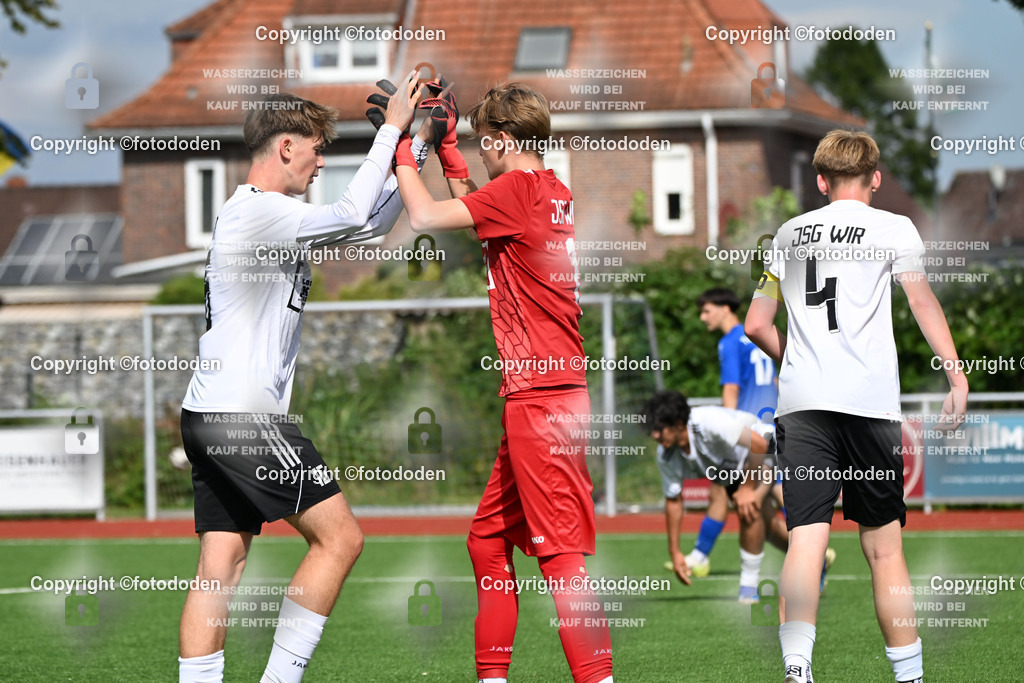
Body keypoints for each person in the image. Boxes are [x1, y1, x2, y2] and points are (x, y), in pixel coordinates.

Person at [177, 76, 423, 683]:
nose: (320, 162)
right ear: (285, 146)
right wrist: (391, 128)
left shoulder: (267, 216)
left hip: (210, 417)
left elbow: (364, 227)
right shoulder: (260, 211)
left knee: (222, 565)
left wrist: (408, 153)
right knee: (341, 540)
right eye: (316, 147)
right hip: (243, 419)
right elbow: (350, 210)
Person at [394, 82, 613, 683]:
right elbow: (481, 208)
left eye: (481, 143)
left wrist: (398, 144)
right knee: (487, 540)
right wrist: (447, 154)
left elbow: (425, 215)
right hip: (547, 395)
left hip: (542, 402)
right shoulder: (547, 188)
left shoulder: (516, 190)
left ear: (503, 141)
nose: (478, 152)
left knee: (562, 559)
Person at [745, 129, 968, 683]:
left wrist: (795, 358)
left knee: (805, 538)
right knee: (885, 551)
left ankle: (798, 669)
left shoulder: (789, 235)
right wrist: (956, 374)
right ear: (875, 177)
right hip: (869, 404)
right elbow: (921, 300)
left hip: (802, 406)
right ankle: (909, 676)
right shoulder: (895, 227)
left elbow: (755, 324)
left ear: (819, 181)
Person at [644, 390, 787, 602]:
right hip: (736, 467)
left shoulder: (709, 423)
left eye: (659, 429)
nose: (655, 435)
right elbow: (674, 501)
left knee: (749, 508)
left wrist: (747, 489)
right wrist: (674, 552)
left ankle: (748, 588)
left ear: (679, 424)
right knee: (768, 526)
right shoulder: (665, 455)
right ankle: (815, 559)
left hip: (764, 449)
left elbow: (759, 445)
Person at [685, 287, 780, 577]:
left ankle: (701, 557)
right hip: (774, 424)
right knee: (764, 504)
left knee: (732, 493)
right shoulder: (760, 334)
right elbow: (776, 380)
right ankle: (815, 554)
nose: (703, 317)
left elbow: (731, 387)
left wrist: (729, 424)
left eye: (707, 310)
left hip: (750, 433)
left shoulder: (729, 342)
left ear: (726, 308)